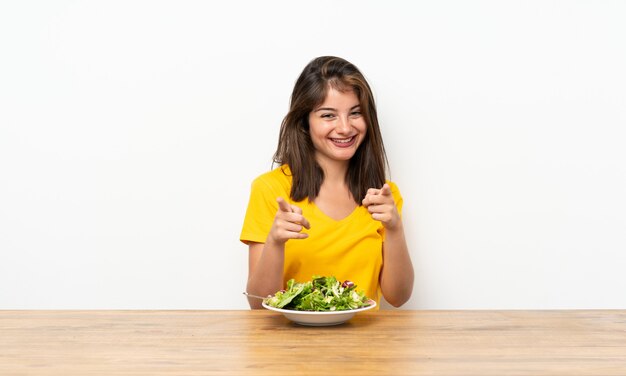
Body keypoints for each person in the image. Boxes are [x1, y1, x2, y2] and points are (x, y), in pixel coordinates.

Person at [240, 56, 414, 309]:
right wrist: (275, 243)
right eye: (328, 115)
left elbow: (398, 297)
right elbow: (258, 303)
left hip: (367, 345)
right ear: (304, 122)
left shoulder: (383, 195)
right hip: (291, 345)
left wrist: (395, 228)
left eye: (355, 113)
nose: (344, 128)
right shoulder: (270, 189)